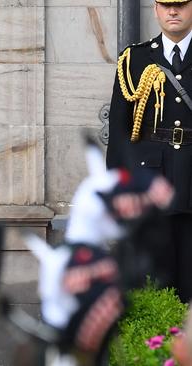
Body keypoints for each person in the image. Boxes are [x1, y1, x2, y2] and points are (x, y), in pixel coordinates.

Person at [107, 0, 192, 302]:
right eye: (166, 5)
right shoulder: (135, 59)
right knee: (153, 280)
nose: (173, 12)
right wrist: (117, 190)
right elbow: (119, 131)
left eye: (181, 5)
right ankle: (156, 348)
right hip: (150, 184)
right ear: (155, 9)